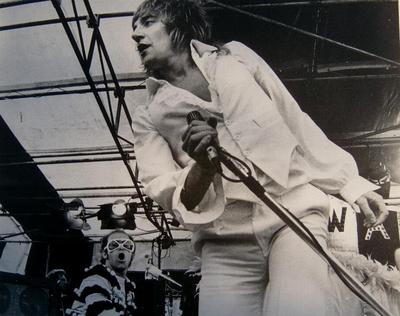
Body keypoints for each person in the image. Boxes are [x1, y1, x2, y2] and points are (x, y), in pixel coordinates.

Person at [130, 1, 389, 315]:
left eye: (147, 22)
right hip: (225, 241)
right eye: (135, 28)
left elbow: (293, 118)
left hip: (292, 213)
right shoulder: (147, 114)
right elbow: (164, 190)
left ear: (178, 22)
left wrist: (350, 183)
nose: (136, 34)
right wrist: (203, 166)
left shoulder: (235, 57)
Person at [66, 230, 137, 316]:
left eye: (127, 245)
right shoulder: (94, 277)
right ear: (104, 254)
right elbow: (101, 312)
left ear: (132, 255)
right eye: (114, 245)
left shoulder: (128, 286)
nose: (121, 248)